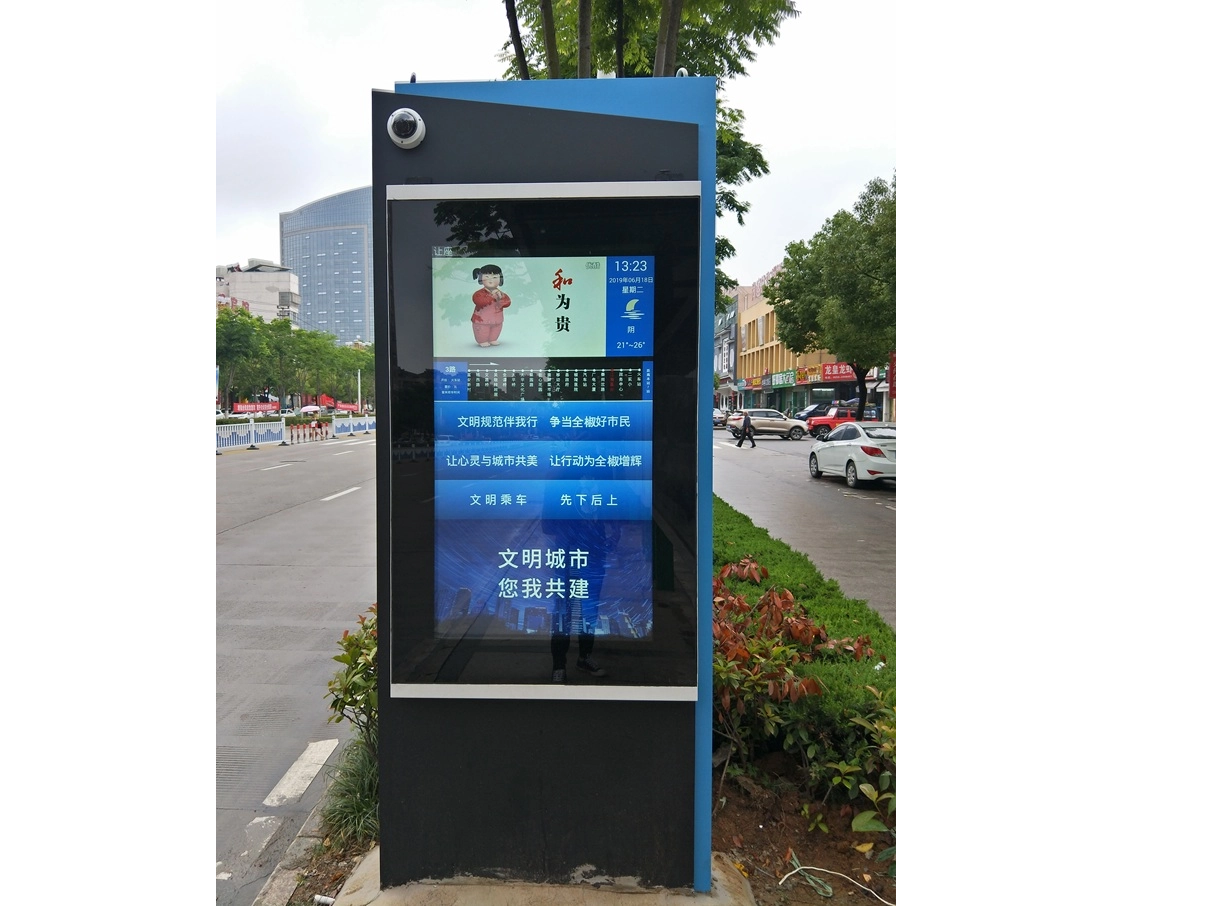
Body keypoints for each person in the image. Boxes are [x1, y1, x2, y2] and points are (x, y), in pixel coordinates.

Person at [470, 264, 511, 347]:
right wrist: (491, 296)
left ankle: (493, 339)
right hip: (482, 320)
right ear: (481, 279)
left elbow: (507, 303)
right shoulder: (478, 294)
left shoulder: (500, 293)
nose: (491, 280)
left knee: (496, 330)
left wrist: (501, 298)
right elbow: (479, 302)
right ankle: (482, 341)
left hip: (497, 320)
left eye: (495, 277)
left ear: (500, 279)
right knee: (482, 331)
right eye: (487, 277)